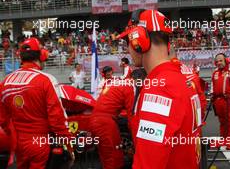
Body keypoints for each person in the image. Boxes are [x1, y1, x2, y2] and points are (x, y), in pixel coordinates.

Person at [117, 9, 201, 169]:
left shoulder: (158, 88)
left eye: (128, 42)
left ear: (138, 41)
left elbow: (147, 164)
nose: (128, 49)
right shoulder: (183, 78)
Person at [0, 37, 74, 169]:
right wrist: (68, 144)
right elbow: (57, 118)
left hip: (18, 143)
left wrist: (14, 135)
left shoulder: (5, 82)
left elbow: (2, 118)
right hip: (40, 141)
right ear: (41, 55)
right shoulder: (46, 80)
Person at [87, 69, 146, 169]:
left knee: (106, 157)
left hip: (96, 120)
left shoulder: (118, 82)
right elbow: (132, 117)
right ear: (140, 80)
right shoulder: (131, 87)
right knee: (114, 158)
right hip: (105, 122)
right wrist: (138, 145)